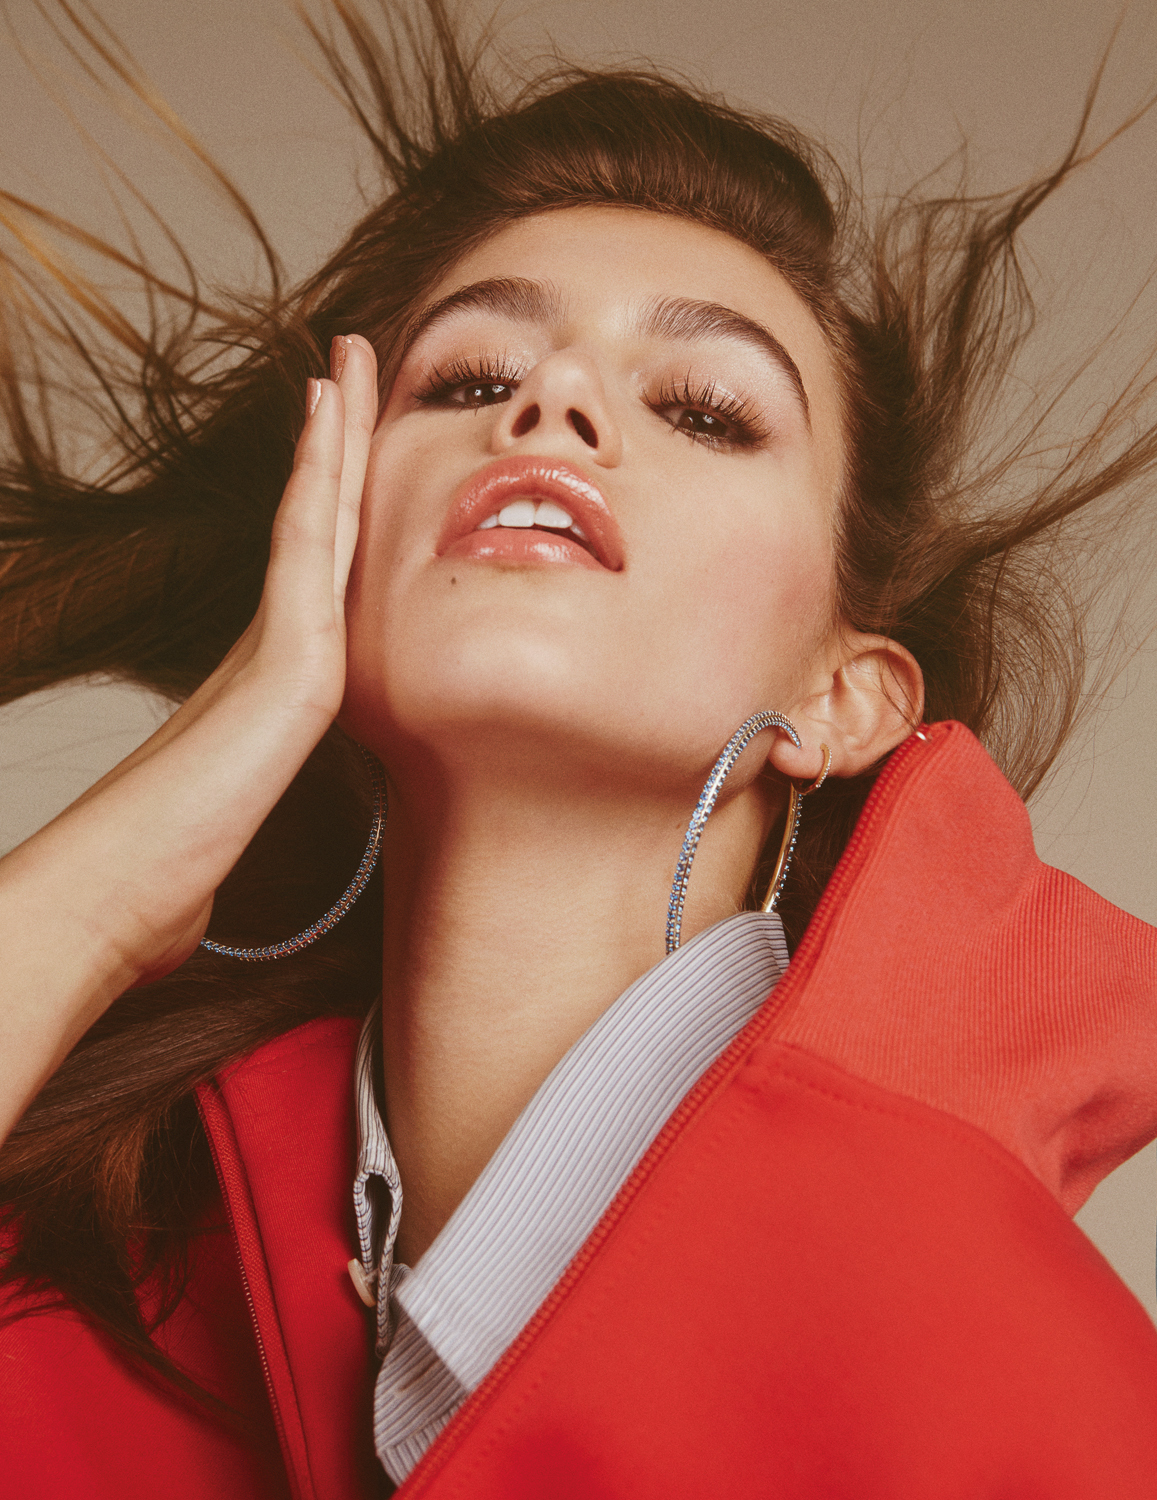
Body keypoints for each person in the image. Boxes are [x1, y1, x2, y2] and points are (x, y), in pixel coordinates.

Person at [2, 3, 1156, 1495]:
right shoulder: (85, 1293)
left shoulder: (1013, 1372)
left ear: (847, 698)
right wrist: (98, 897)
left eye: (706, 411)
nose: (553, 404)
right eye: (468, 382)